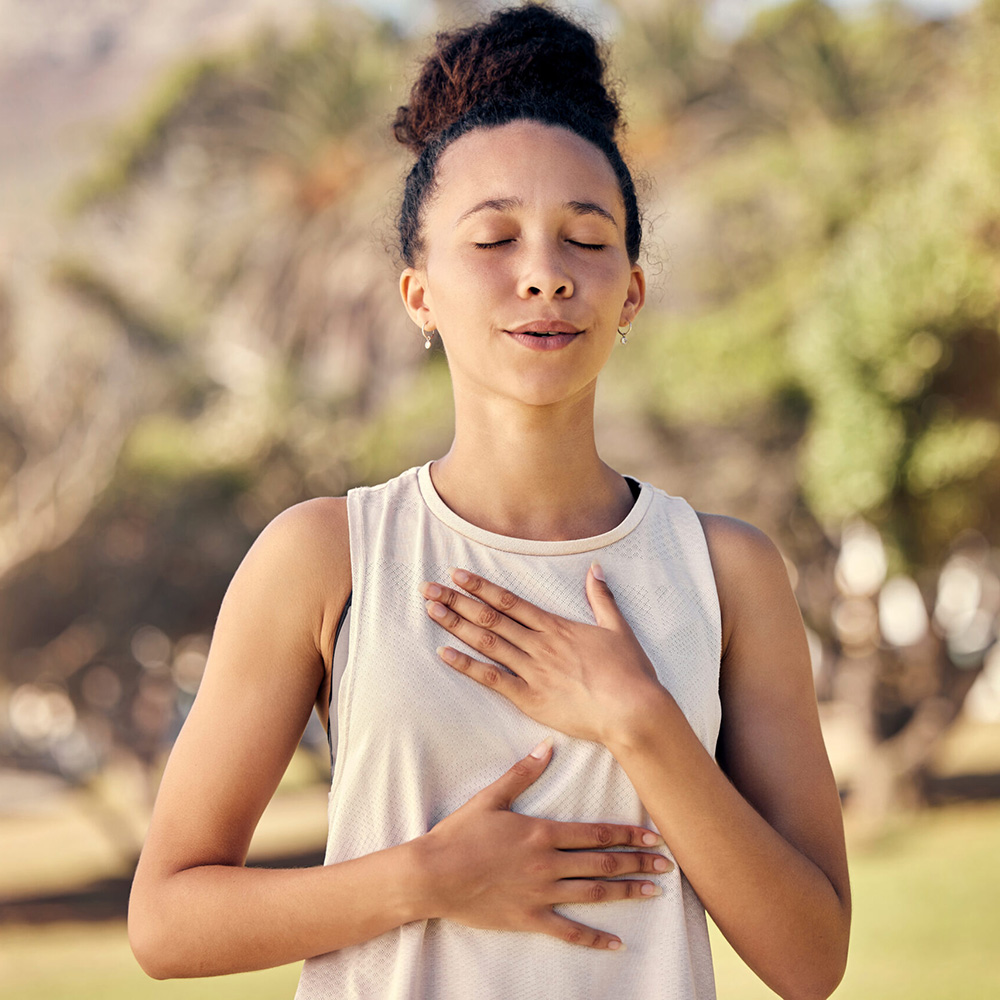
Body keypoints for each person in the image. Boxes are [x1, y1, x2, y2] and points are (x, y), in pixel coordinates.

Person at [127, 5, 851, 998]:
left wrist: (638, 718)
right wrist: (425, 877)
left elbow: (811, 960)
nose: (545, 275)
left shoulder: (725, 570)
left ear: (631, 292)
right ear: (418, 291)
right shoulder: (329, 554)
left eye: (585, 241)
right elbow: (167, 921)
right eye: (494, 238)